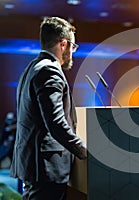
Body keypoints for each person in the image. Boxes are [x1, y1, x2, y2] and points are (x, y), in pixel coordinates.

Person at [10, 17, 87, 200]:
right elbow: (56, 122)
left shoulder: (32, 67)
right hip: (45, 167)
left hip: (33, 164)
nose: (72, 52)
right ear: (63, 44)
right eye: (73, 47)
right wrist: (83, 150)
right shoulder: (49, 71)